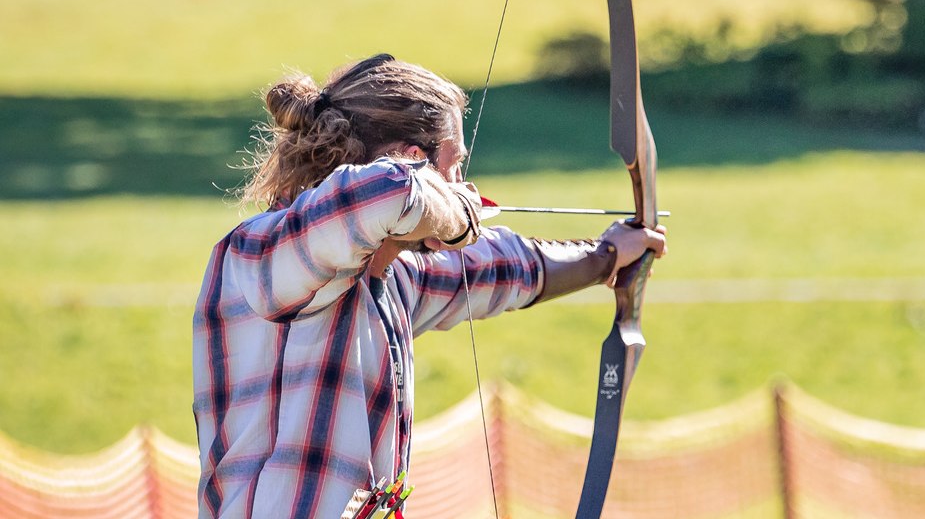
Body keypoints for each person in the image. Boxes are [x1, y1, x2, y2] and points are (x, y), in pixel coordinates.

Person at [192, 53, 666, 517]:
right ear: (414, 160)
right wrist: (454, 212)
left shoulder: (392, 274)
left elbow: (503, 267)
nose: (463, 183)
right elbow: (386, 192)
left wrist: (607, 255)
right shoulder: (261, 252)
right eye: (454, 166)